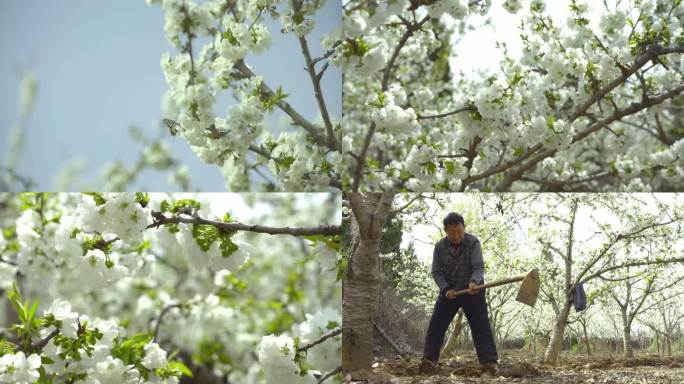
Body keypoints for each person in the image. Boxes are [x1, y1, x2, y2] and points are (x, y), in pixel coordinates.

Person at [419, 212, 498, 375]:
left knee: (481, 326)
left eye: (459, 232)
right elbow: (436, 271)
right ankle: (428, 361)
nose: (456, 236)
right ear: (446, 232)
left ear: (464, 228)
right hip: (450, 291)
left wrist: (474, 281)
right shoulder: (439, 247)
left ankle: (489, 363)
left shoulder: (473, 242)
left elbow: (478, 267)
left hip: (472, 290)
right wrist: (446, 289)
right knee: (436, 325)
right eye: (452, 233)